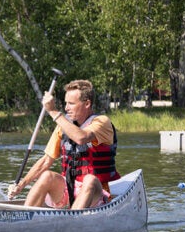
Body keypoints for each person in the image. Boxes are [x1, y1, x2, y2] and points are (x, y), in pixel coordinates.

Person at [8, 79, 120, 210]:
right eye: (66, 103)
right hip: (69, 190)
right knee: (47, 176)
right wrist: (21, 185)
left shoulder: (102, 122)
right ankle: (23, 217)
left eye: (71, 103)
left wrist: (53, 112)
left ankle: (72, 222)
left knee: (90, 179)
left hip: (97, 195)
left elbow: (81, 137)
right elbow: (46, 161)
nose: (66, 108)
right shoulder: (64, 126)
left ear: (87, 103)